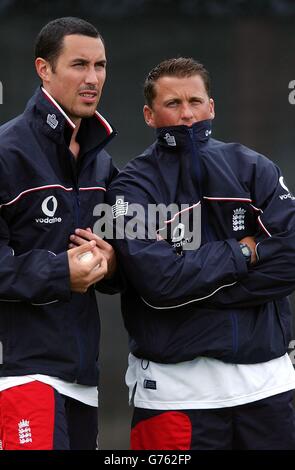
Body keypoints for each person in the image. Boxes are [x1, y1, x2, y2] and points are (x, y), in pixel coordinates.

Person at [74, 57, 295, 450]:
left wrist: (196, 284)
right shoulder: (128, 191)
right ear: (149, 114)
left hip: (269, 390)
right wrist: (244, 255)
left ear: (212, 106)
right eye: (172, 104)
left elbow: (291, 255)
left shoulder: (255, 168)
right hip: (172, 398)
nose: (187, 114)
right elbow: (157, 282)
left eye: (195, 101)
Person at [0, 17, 118, 450]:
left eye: (100, 66)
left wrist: (113, 260)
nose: (92, 79)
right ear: (43, 69)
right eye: (79, 65)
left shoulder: (101, 162)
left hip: (83, 378)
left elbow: (121, 252)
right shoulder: (6, 152)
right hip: (20, 372)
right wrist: (59, 273)